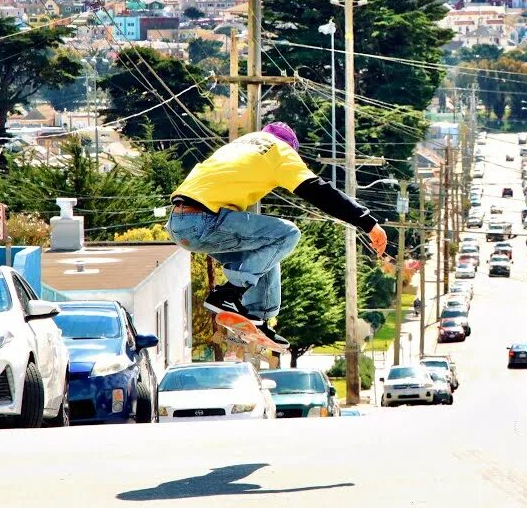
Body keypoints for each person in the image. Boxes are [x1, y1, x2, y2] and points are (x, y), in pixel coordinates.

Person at [166, 123, 387, 348]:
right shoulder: (280, 152)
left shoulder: (241, 144)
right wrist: (367, 223)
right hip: (206, 221)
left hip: (178, 222)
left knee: (267, 250)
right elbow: (319, 191)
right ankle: (229, 293)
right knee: (286, 234)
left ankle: (256, 318)